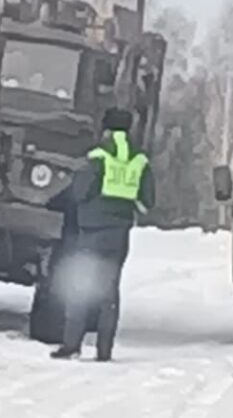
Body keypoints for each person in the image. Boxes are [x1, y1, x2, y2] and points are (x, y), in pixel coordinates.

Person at [51, 108, 155, 362]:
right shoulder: (140, 159)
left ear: (106, 129)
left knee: (81, 285)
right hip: (119, 234)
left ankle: (71, 344)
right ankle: (104, 350)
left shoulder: (99, 155)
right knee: (109, 290)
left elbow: (80, 192)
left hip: (91, 232)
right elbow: (148, 201)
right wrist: (125, 206)